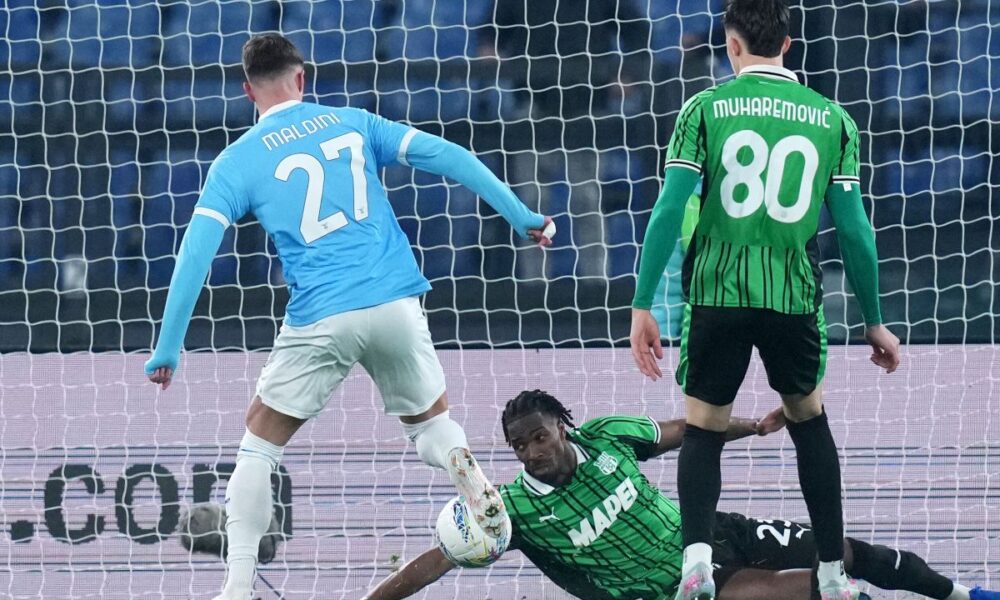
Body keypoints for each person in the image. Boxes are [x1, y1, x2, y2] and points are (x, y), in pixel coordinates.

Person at [143, 33, 554, 600]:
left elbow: (196, 253)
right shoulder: (353, 122)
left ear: (247, 92)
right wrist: (521, 214)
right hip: (394, 299)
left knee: (259, 446)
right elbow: (448, 155)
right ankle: (460, 464)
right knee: (431, 425)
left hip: (322, 314)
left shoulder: (237, 160)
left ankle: (237, 587)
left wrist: (168, 346)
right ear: (302, 78)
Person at [629, 2, 901, 598]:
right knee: (809, 424)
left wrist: (642, 302)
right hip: (792, 298)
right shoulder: (834, 120)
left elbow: (669, 208)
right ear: (788, 43)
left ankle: (696, 566)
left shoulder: (704, 109)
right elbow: (854, 231)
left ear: (731, 46)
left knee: (703, 429)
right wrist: (875, 321)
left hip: (717, 293)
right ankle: (831, 573)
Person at [363, 390, 995, 600]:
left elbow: (687, 431)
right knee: (819, 587)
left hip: (712, 531)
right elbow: (441, 557)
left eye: (539, 437)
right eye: (519, 446)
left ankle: (965, 594)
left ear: (563, 427)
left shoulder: (608, 438)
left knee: (853, 553)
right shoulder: (513, 510)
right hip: (679, 589)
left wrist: (751, 425)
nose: (532, 453)